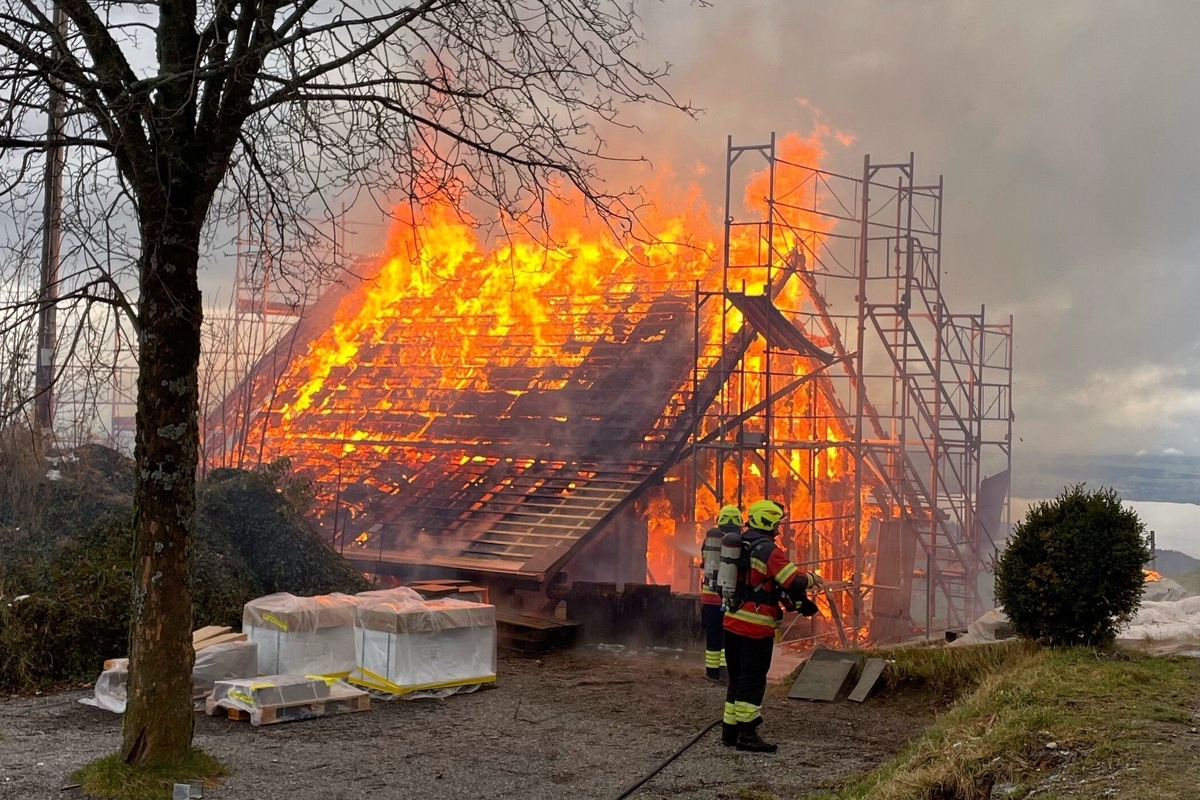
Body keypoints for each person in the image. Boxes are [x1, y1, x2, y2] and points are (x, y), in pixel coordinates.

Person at [721, 499, 822, 752]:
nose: (779, 527)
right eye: (777, 523)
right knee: (752, 680)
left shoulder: (741, 543)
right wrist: (813, 579)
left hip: (732, 622)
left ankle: (730, 731)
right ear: (768, 522)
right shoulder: (768, 549)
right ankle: (747, 734)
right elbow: (792, 580)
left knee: (737, 678)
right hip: (755, 628)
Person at [700, 505, 742, 682]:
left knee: (713, 635)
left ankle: (712, 672)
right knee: (729, 637)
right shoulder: (740, 541)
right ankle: (726, 672)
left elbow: (704, 561)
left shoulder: (710, 541)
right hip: (731, 597)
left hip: (710, 597)